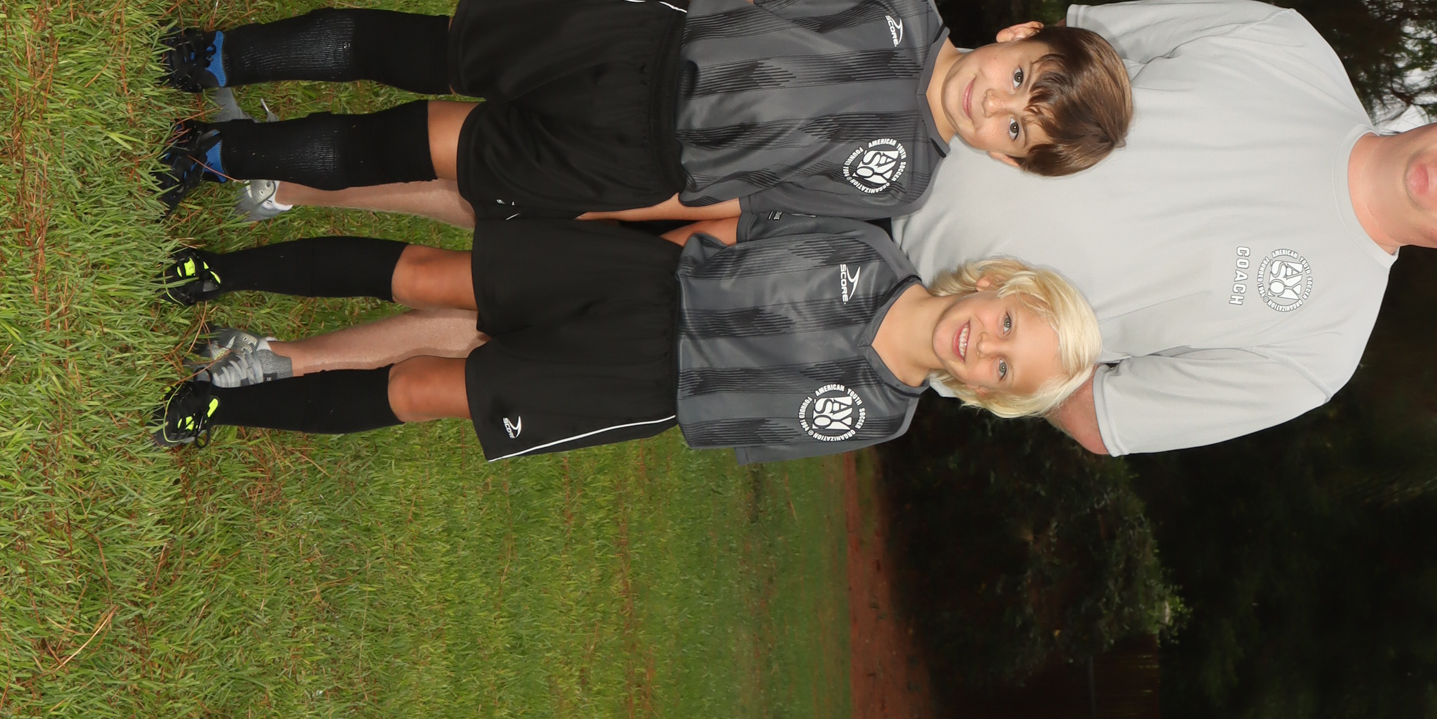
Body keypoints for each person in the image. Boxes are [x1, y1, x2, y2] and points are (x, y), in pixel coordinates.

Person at [892, 0, 1437, 458]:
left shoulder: (1319, 353)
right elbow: (1070, 45)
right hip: (891, 124)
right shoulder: (1284, 41)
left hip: (887, 301)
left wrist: (978, 344)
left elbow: (1099, 418)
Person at [153, 0, 1136, 231]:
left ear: (1006, 159)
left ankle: (209, 155)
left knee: (402, 151)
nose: (993, 107)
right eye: (1019, 82)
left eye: (1016, 130)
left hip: (635, 159)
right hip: (635, 44)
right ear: (1019, 35)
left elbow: (743, 200)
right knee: (415, 50)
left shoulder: (903, 184)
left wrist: (615, 201)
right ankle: (216, 56)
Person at [147, 217, 1101, 462]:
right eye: (1007, 325)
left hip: (638, 386)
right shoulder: (866, 248)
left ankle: (215, 409)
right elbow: (735, 227)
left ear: (989, 393)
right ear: (996, 285)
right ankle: (217, 269)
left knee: (426, 388)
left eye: (1003, 368)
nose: (985, 346)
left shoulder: (881, 416)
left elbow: (748, 425)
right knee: (433, 276)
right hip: (638, 280)